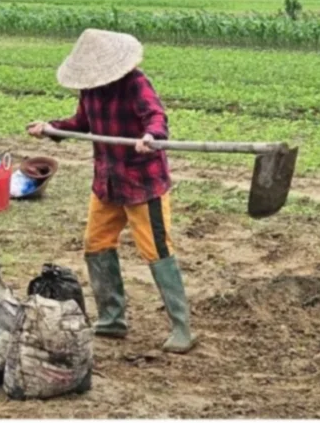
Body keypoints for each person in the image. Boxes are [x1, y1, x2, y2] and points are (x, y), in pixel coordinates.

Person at [27, 28, 196, 353]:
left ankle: (182, 328)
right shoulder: (89, 91)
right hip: (107, 181)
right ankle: (112, 319)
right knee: (96, 245)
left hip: (142, 184)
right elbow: (81, 123)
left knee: (156, 251)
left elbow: (156, 116)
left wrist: (152, 136)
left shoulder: (135, 83)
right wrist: (50, 128)